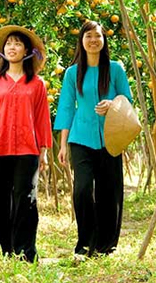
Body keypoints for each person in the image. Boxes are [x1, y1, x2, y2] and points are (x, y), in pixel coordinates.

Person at [0, 25, 52, 263]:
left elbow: (41, 117)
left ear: (27, 50)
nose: (12, 47)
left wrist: (44, 151)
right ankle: (0, 249)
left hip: (28, 149)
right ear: (2, 50)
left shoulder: (37, 84)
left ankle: (25, 252)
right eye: (8, 44)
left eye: (17, 43)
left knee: (26, 199)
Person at [55, 20, 132, 258]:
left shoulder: (116, 68)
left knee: (110, 191)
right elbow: (66, 107)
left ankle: (106, 246)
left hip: (111, 136)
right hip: (81, 137)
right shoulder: (72, 73)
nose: (93, 40)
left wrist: (112, 104)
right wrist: (63, 144)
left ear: (104, 40)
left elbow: (127, 98)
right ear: (81, 41)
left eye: (97, 36)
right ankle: (85, 243)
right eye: (88, 36)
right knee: (83, 189)